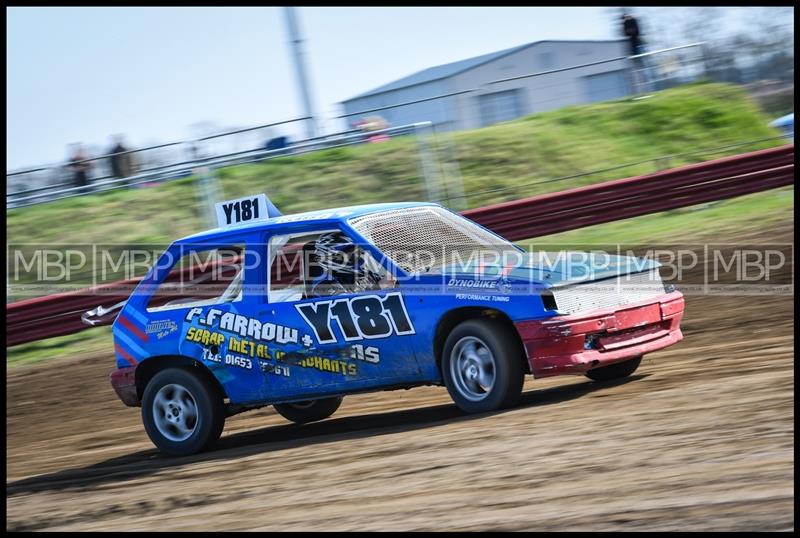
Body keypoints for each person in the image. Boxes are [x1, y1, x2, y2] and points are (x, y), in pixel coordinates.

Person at [305, 232, 382, 298]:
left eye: (358, 252)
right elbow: (349, 304)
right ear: (332, 258)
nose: (359, 257)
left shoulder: (359, 274)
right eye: (352, 254)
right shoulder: (323, 285)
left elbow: (384, 281)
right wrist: (380, 287)